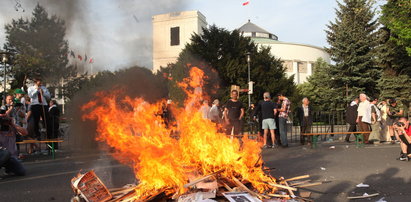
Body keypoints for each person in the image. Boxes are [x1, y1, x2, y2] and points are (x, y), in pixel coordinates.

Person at [0, 107, 28, 176]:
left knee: (21, 171)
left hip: (11, 158)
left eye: (5, 118)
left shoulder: (12, 127)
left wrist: (13, 124)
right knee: (6, 153)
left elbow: (25, 133)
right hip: (1, 155)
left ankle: (7, 170)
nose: (4, 121)